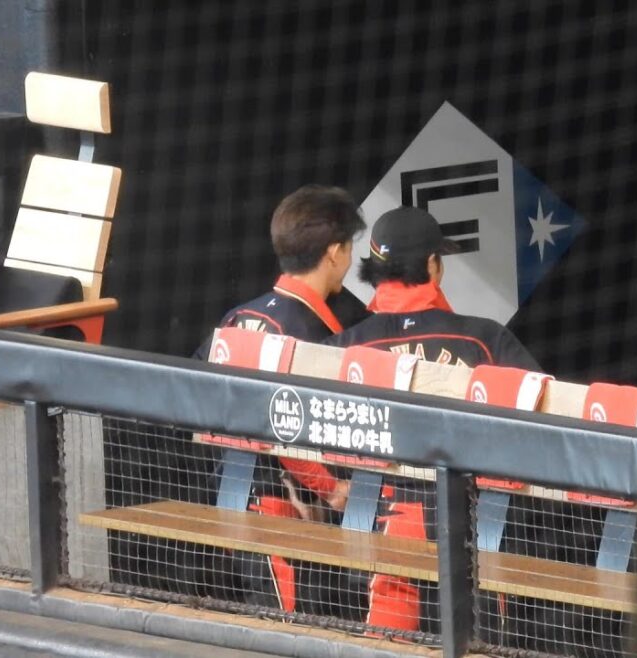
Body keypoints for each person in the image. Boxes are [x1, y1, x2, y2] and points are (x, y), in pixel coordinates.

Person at [325, 205, 544, 637]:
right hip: (472, 527)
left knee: (388, 646)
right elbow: (542, 418)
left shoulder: (342, 348)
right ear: (432, 266)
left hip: (377, 525)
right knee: (476, 644)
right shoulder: (483, 338)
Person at [196, 184, 370, 615]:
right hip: (281, 513)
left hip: (231, 498)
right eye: (349, 249)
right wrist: (331, 489)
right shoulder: (309, 333)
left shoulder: (239, 316)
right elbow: (283, 424)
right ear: (335, 252)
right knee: (290, 631)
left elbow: (196, 394)